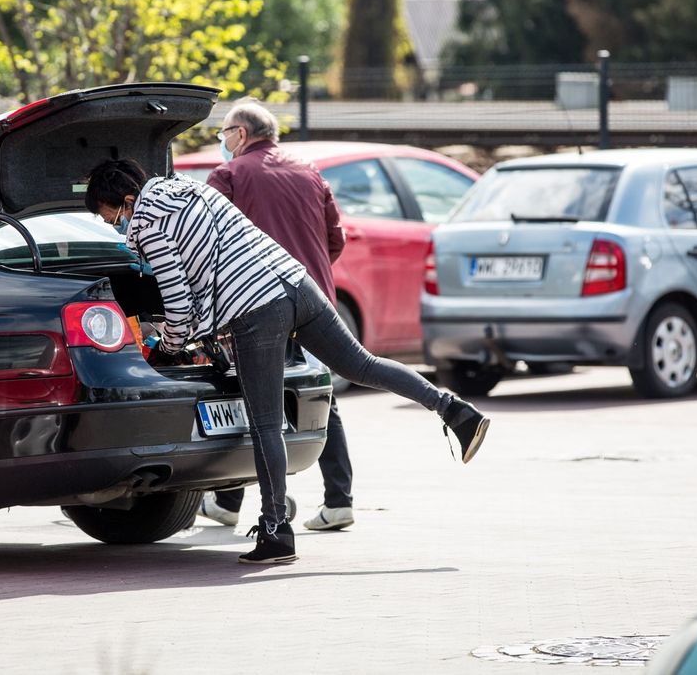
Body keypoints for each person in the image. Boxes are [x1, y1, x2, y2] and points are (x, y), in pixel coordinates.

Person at [84, 157, 490, 565]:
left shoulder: (148, 222)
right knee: (362, 364)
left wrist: (168, 347)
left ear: (127, 200)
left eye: (111, 216)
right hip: (295, 282)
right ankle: (454, 410)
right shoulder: (191, 189)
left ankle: (277, 533)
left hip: (253, 308)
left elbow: (177, 303)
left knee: (264, 426)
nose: (114, 225)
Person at [200, 99, 355, 533]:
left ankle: (230, 501)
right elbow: (335, 239)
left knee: (250, 397)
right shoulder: (308, 169)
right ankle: (338, 500)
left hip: (254, 304)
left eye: (224, 133)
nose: (222, 142)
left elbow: (211, 246)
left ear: (242, 134)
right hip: (312, 298)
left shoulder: (229, 176)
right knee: (320, 397)